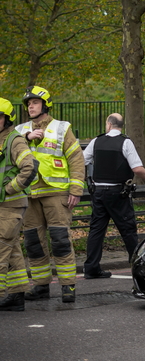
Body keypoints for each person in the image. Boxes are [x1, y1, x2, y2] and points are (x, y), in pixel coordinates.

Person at [15, 86, 85, 303]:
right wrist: (27, 136)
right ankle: (41, 286)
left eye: (34, 103)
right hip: (29, 193)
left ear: (45, 105)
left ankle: (68, 287)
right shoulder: (19, 130)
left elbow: (76, 159)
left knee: (60, 239)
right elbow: (7, 148)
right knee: (33, 243)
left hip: (56, 192)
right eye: (28, 104)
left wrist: (75, 189)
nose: (30, 107)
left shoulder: (62, 128)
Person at [82, 113, 145, 279]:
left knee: (96, 230)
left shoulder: (96, 141)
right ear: (120, 125)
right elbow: (137, 169)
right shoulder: (125, 142)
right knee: (128, 230)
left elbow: (82, 160)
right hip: (118, 193)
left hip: (99, 192)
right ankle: (138, 266)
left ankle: (91, 268)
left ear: (109, 124)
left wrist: (88, 178)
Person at [0, 99, 38, 312]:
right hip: (4, 206)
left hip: (10, 205)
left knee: (1, 251)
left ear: (7, 119)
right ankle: (16, 295)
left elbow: (29, 168)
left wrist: (8, 189)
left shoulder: (14, 140)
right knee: (12, 250)